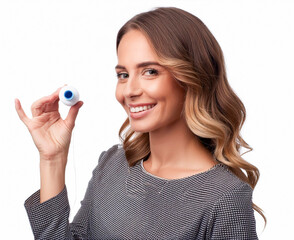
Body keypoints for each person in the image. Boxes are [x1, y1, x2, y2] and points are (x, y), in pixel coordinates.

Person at [15, 7, 265, 239]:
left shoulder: (225, 197)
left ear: (192, 78)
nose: (130, 90)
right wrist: (52, 159)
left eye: (150, 71)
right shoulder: (111, 165)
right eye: (123, 75)